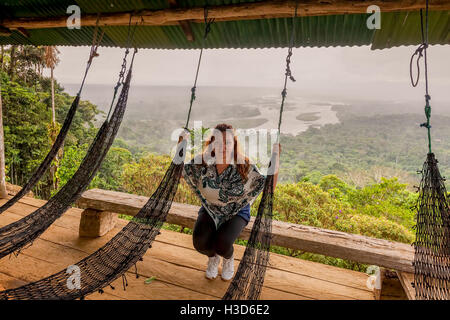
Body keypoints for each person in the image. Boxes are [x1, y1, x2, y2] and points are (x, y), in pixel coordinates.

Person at [179, 123, 280, 281]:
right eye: (218, 142)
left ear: (234, 144)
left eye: (227, 142)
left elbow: (269, 187)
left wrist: (275, 157)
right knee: (200, 243)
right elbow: (178, 173)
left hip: (237, 211)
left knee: (223, 243)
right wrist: (181, 144)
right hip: (211, 209)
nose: (222, 147)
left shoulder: (244, 166)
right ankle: (213, 258)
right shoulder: (202, 162)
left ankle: (228, 259)